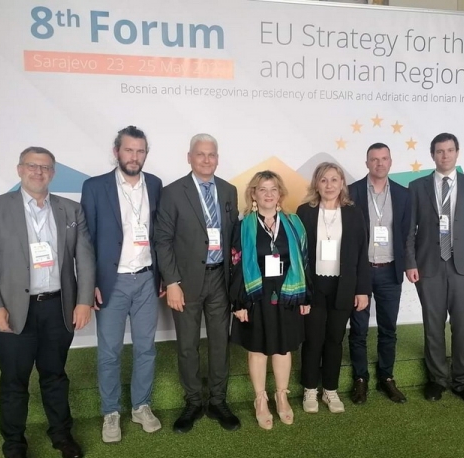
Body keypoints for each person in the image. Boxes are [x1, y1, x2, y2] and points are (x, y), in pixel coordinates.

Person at [0, 146, 95, 458]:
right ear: (20, 169)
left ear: (53, 172)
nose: (39, 172)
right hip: (11, 312)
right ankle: (14, 449)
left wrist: (83, 301)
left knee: (55, 375)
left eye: (45, 167)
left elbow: (85, 257)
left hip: (58, 308)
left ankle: (62, 435)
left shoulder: (70, 209)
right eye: (32, 166)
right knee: (14, 383)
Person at [81, 126, 164, 443]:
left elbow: (161, 235)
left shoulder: (155, 184)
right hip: (111, 282)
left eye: (140, 151)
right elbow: (86, 241)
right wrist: (90, 283)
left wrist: (163, 276)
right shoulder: (95, 187)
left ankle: (141, 406)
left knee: (146, 349)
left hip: (146, 279)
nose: (134, 156)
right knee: (109, 351)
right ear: (117, 151)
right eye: (129, 150)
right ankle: (111, 412)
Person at [155, 133, 240, 433]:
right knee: (187, 345)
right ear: (189, 157)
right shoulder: (172, 192)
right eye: (200, 154)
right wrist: (172, 281)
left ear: (218, 158)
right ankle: (192, 401)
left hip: (220, 279)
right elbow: (162, 240)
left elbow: (233, 236)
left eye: (211, 154)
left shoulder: (229, 190)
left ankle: (218, 401)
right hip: (186, 281)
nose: (206, 159)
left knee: (220, 343)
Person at [405, 133, 464, 407]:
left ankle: (462, 382)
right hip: (428, 266)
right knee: (433, 326)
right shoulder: (417, 187)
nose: (445, 155)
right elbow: (408, 229)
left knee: (463, 326)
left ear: (457, 152)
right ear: (432, 155)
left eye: (450, 150)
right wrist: (410, 262)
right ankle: (438, 380)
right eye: (440, 151)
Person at [231, 171, 310, 429]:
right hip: (255, 295)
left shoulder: (294, 222)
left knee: (283, 348)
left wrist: (305, 296)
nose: (268, 194)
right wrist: (239, 303)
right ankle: (260, 400)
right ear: (253, 194)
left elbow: (304, 261)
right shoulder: (243, 226)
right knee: (258, 348)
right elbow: (235, 264)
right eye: (262, 189)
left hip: (288, 294)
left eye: (273, 189)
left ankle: (281, 397)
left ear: (280, 193)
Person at [297, 162, 371, 414]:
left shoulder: (354, 213)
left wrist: (362, 290)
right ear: (316, 184)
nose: (329, 185)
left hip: (343, 286)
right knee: (312, 339)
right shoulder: (304, 212)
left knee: (334, 339)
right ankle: (310, 389)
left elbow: (362, 254)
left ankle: (330, 390)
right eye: (323, 180)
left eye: (334, 180)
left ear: (342, 184)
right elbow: (297, 253)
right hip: (313, 286)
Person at [348, 143, 411, 404]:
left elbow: (407, 233)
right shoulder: (351, 192)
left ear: (390, 161)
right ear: (367, 163)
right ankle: (360, 379)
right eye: (374, 159)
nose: (380, 163)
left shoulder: (403, 194)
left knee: (388, 329)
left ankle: (386, 377)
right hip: (360, 272)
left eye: (384, 158)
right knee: (358, 329)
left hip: (389, 271)